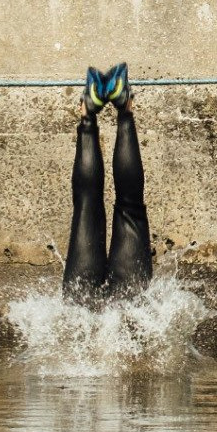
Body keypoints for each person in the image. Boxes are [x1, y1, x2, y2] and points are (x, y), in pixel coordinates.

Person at [62, 62, 153, 301]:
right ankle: (102, 109)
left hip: (82, 317)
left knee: (89, 207)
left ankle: (109, 108)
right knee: (122, 208)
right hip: (125, 313)